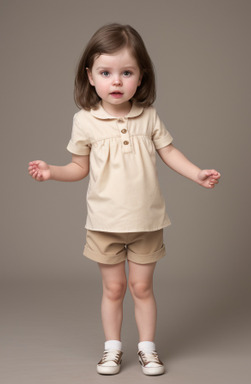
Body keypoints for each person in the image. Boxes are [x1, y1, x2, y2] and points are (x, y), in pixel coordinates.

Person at [28, 23, 221, 376]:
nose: (116, 82)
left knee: (142, 287)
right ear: (90, 76)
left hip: (147, 222)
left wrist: (196, 174)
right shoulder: (85, 121)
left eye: (126, 72)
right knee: (114, 288)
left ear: (141, 77)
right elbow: (77, 167)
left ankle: (147, 348)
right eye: (106, 72)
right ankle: (112, 348)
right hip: (104, 224)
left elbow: (169, 151)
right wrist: (52, 171)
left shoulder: (148, 117)